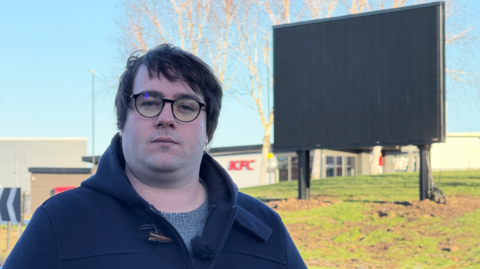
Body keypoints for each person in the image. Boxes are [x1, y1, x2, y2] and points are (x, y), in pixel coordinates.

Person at [4, 44, 307, 268]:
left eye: (186, 106)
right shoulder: (59, 223)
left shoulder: (266, 229)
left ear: (208, 131)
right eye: (149, 102)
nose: (166, 118)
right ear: (122, 121)